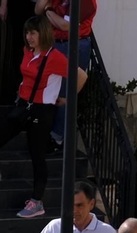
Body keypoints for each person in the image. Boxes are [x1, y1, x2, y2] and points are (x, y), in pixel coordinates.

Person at [0, 16, 69, 219]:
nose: (29, 37)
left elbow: (80, 75)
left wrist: (65, 98)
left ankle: (37, 202)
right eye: (27, 33)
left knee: (37, 155)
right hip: (23, 105)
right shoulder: (27, 51)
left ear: (43, 33)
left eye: (33, 33)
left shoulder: (54, 57)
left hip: (41, 109)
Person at [39, 0, 96, 146]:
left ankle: (57, 137)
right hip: (55, 43)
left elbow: (65, 26)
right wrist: (47, 8)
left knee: (65, 94)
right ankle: (47, 132)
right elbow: (37, 9)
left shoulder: (86, 2)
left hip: (73, 45)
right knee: (50, 90)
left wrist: (48, 11)